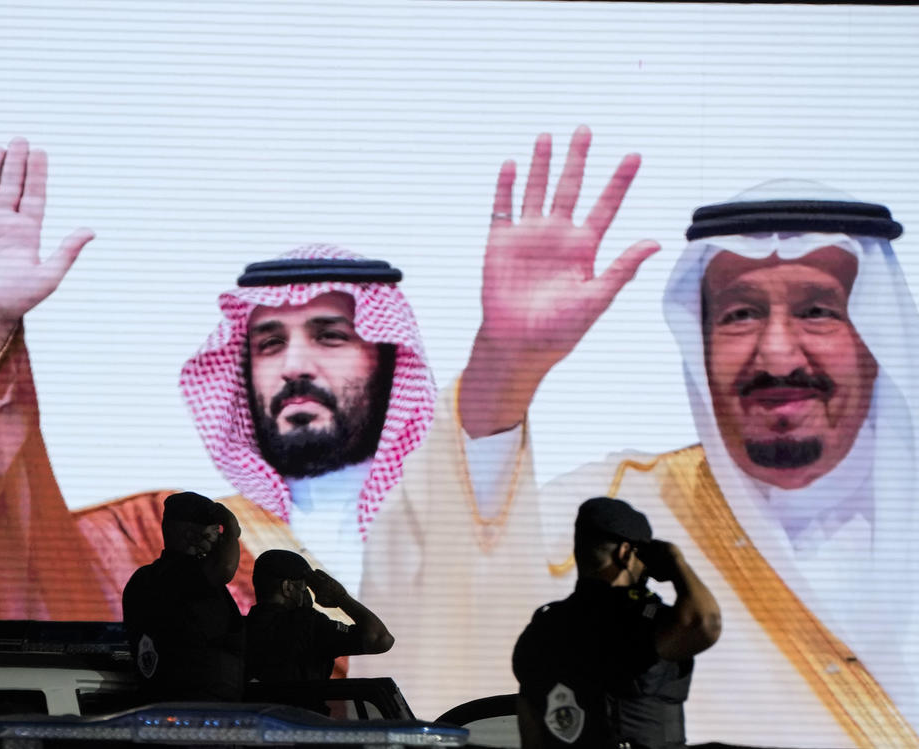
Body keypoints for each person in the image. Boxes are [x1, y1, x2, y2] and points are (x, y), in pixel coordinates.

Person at [362, 128, 919, 745]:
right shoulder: (622, 502)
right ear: (700, 341)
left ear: (874, 334)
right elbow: (453, 598)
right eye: (740, 313)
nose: (778, 353)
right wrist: (506, 363)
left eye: (819, 310)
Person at [0, 136, 437, 620]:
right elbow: (6, 567)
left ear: (389, 360)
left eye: (330, 336)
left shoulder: (450, 535)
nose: (295, 365)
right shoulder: (155, 538)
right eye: (270, 343)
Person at [512, 496, 720, 749]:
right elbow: (705, 623)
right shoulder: (640, 623)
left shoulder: (541, 628)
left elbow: (531, 729)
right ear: (625, 553)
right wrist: (675, 560)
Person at [121, 491, 245, 702]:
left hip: (163, 699)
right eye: (215, 531)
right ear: (192, 536)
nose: (219, 539)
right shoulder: (180, 574)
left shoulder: (145, 578)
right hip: (196, 706)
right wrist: (232, 529)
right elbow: (225, 567)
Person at [245, 549, 393, 684]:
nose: (307, 593)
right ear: (287, 587)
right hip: (303, 712)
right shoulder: (307, 624)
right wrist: (340, 597)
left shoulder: (239, 626)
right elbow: (380, 639)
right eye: (305, 586)